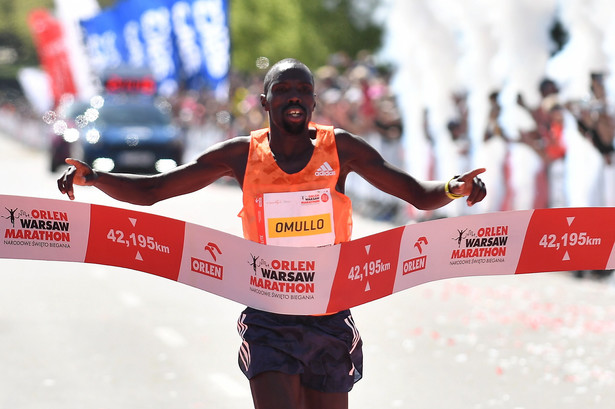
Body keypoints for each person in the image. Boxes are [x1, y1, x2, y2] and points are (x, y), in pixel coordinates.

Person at [57, 58, 487, 409]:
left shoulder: (342, 150)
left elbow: (415, 193)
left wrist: (455, 187)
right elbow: (154, 190)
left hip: (329, 315)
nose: (294, 96)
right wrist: (94, 177)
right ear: (264, 101)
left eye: (302, 89)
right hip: (268, 317)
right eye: (283, 89)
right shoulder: (242, 155)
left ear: (314, 102)